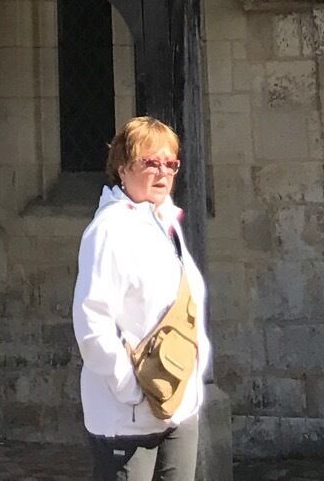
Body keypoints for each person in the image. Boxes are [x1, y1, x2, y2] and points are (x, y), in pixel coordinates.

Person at [73, 115, 211, 481]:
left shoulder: (165, 222)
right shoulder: (109, 230)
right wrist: (131, 390)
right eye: (150, 162)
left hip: (178, 405)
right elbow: (92, 322)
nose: (163, 172)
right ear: (122, 168)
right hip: (128, 416)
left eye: (171, 163)